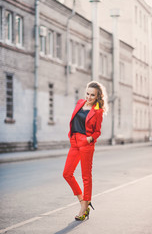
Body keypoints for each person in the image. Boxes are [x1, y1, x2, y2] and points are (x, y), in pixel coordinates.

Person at [63, 81, 108, 221]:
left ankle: (85, 206)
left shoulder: (98, 111)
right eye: (87, 93)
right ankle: (82, 200)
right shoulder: (80, 103)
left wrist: (89, 139)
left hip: (86, 144)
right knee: (67, 174)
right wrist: (71, 136)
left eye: (92, 95)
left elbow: (97, 132)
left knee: (86, 176)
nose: (88, 97)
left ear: (97, 96)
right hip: (74, 142)